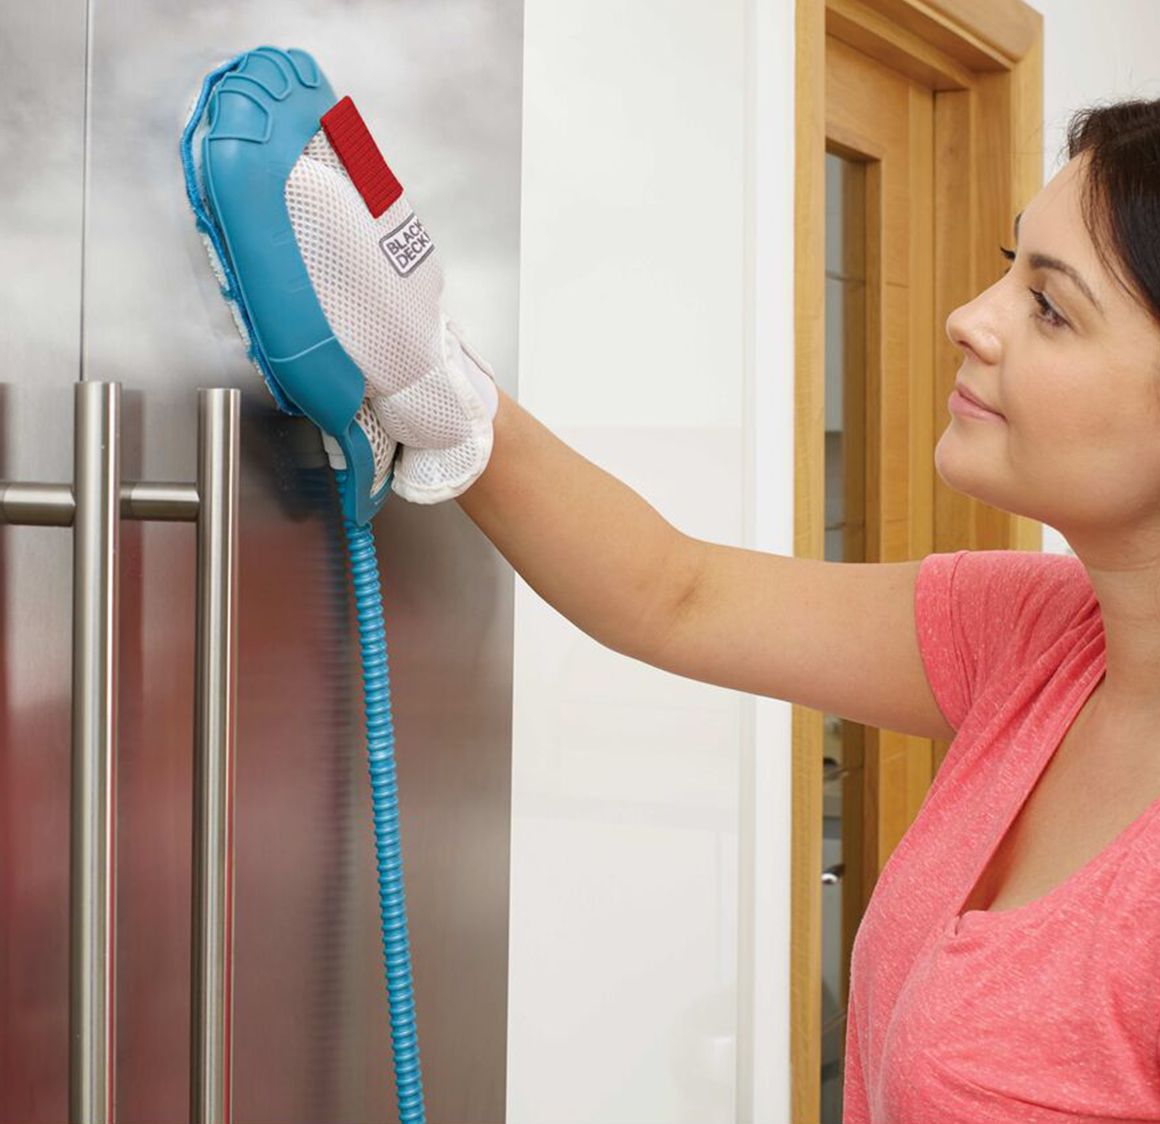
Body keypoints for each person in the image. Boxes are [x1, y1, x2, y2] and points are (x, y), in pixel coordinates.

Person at [297, 93, 1160, 1122]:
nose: (968, 317)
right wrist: (434, 379)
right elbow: (674, 593)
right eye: (1008, 265)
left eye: (1048, 306)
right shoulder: (1037, 638)